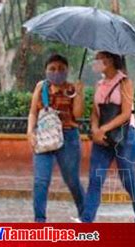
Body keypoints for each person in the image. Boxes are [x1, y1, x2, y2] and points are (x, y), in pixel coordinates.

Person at [81, 51, 135, 223]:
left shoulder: (125, 82)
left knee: (128, 180)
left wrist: (104, 128)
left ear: (108, 60)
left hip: (124, 138)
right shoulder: (99, 84)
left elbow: (126, 114)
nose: (95, 62)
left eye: (98, 58)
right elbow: (95, 112)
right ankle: (86, 221)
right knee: (95, 179)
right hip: (102, 139)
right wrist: (96, 130)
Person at [27, 54, 85, 222]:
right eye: (52, 69)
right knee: (40, 181)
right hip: (44, 138)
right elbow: (33, 112)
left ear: (67, 71)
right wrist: (30, 132)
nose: (56, 72)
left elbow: (78, 115)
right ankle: (39, 222)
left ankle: (85, 215)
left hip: (68, 139)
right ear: (45, 70)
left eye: (61, 69)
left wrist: (79, 93)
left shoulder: (72, 89)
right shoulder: (40, 87)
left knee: (72, 181)